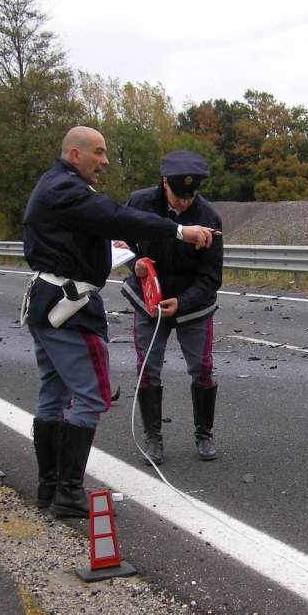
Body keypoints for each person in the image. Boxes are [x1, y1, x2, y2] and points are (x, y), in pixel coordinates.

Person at [23, 126, 218, 521]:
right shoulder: (65, 189)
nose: (106, 160)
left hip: (50, 301)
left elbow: (106, 226)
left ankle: (51, 488)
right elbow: (116, 218)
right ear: (75, 155)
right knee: (92, 396)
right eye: (99, 152)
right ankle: (69, 492)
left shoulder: (56, 184)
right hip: (70, 308)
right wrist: (178, 232)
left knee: (54, 394)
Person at [119, 150, 224, 463]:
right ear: (164, 183)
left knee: (202, 369)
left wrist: (183, 303)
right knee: (148, 369)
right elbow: (120, 242)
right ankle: (153, 437)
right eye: (178, 195)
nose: (184, 203)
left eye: (190, 196)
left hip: (192, 307)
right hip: (147, 302)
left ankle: (204, 434)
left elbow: (211, 278)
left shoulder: (209, 218)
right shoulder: (139, 204)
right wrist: (134, 263)